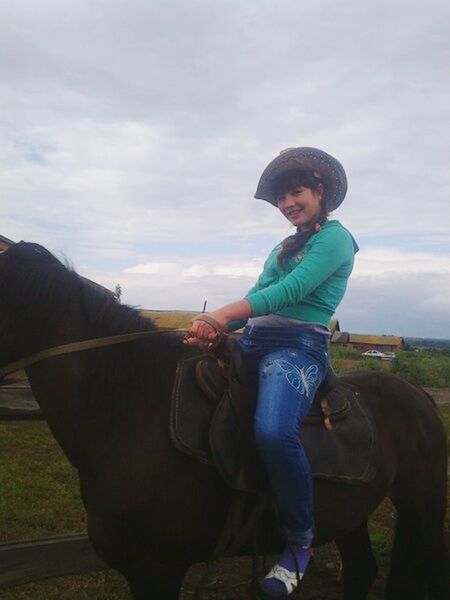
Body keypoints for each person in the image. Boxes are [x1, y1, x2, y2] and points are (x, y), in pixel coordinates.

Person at [186, 147, 359, 598]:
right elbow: (258, 293)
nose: (287, 205)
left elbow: (291, 291)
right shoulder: (283, 246)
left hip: (298, 348)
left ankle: (300, 542)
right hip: (254, 338)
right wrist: (217, 330)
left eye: (296, 193)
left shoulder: (338, 240)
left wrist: (224, 313)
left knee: (272, 430)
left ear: (320, 191)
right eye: (281, 198)